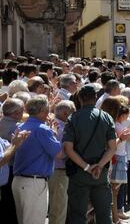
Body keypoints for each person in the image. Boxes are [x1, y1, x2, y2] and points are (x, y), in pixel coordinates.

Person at [63, 85, 117, 224]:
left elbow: (68, 148)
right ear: (95, 98)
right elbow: (112, 147)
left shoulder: (73, 118)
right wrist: (99, 165)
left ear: (79, 99)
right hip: (100, 173)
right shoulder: (106, 117)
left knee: (77, 215)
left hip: (79, 173)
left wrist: (87, 167)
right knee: (104, 214)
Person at [12, 95, 61, 224]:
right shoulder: (43, 129)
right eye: (47, 110)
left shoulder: (20, 126)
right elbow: (59, 153)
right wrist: (54, 133)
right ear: (42, 111)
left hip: (19, 181)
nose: (48, 113)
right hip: (34, 183)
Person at [48, 100, 76, 224]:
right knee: (58, 209)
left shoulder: (56, 125)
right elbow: (60, 154)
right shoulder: (61, 129)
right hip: (59, 172)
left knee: (57, 207)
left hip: (56, 171)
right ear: (65, 113)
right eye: (73, 112)